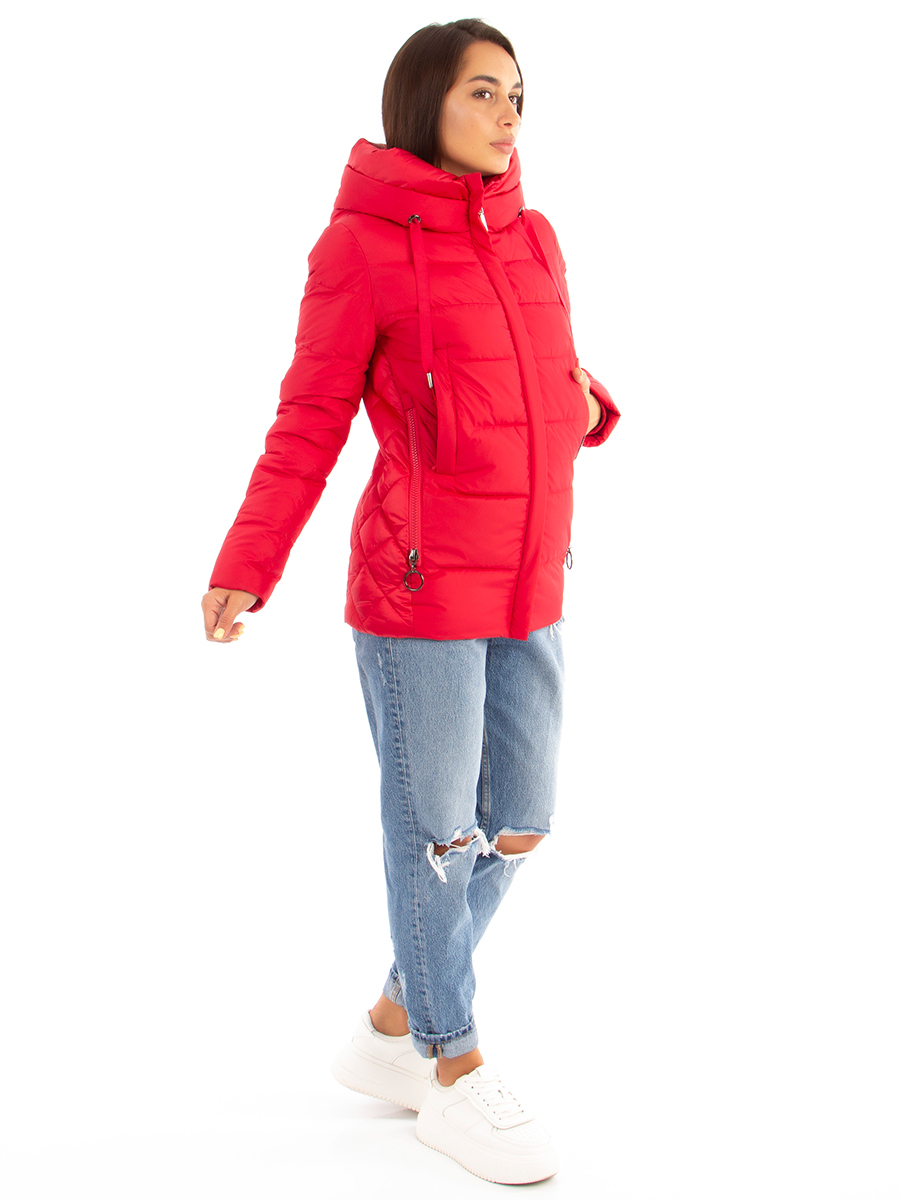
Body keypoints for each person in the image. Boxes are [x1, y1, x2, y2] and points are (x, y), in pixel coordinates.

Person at [201, 17, 620, 1186]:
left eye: (518, 93)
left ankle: (393, 1020)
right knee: (435, 838)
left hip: (531, 578)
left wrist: (585, 403)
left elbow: (538, 372)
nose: (509, 112)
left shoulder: (534, 234)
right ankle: (450, 1059)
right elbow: (310, 416)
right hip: (418, 590)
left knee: (520, 822)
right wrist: (248, 559)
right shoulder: (360, 249)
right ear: (424, 100)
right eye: (484, 91)